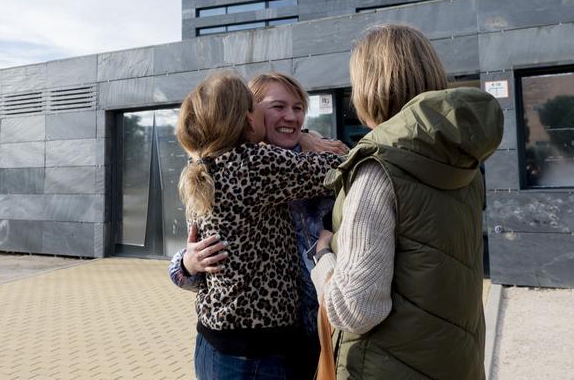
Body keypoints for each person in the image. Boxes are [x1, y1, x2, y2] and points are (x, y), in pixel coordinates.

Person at [310, 23, 504, 379]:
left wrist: (323, 257)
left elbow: (355, 310)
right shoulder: (462, 164)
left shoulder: (377, 170)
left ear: (369, 88)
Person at [171, 72, 343, 379]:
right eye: (277, 106)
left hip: (220, 340)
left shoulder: (204, 167)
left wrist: (306, 138)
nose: (291, 116)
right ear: (250, 118)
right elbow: (336, 169)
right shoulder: (256, 163)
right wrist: (187, 262)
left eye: (298, 108)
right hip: (258, 351)